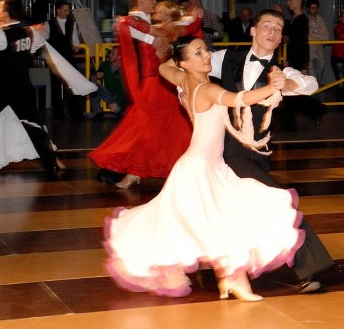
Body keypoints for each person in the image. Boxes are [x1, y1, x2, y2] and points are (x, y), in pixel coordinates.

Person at [105, 36, 304, 300]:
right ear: (185, 62)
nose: (207, 55)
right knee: (215, 222)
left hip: (205, 165)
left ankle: (233, 280)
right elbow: (240, 99)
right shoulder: (206, 90)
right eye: (198, 53)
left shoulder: (185, 80)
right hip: (198, 169)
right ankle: (235, 280)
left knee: (219, 221)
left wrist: (177, 59)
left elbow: (164, 68)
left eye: (206, 49)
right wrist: (271, 87)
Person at [208, 8, 344, 294]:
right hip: (227, 151)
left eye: (277, 28)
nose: (272, 32)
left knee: (249, 213)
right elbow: (191, 64)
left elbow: (310, 85)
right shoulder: (225, 58)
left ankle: (232, 269)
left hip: (259, 156)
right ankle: (311, 267)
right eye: (266, 26)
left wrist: (289, 84)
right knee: (278, 202)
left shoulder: (281, 70)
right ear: (253, 30)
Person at [0, 0, 94, 171]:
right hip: (24, 87)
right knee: (33, 125)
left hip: (3, 88)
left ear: (6, 14)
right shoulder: (30, 33)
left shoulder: (3, 36)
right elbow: (34, 47)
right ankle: (50, 163)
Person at [90, 0, 198, 189]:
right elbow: (156, 33)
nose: (155, 4)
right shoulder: (156, 25)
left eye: (159, 9)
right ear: (140, 1)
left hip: (157, 84)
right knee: (155, 128)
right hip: (153, 83)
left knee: (153, 129)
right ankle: (134, 171)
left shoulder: (161, 27)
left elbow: (153, 33)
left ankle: (133, 171)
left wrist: (126, 22)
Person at [43, 0, 84, 120]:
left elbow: (75, 39)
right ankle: (58, 114)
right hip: (55, 59)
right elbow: (44, 39)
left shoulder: (72, 23)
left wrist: (76, 46)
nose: (67, 12)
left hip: (68, 57)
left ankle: (76, 113)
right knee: (55, 86)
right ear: (58, 10)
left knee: (72, 84)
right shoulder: (48, 23)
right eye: (65, 10)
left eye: (68, 10)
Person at [87, 46, 127, 120]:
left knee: (118, 110)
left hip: (121, 98)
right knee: (92, 84)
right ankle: (98, 113)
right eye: (110, 53)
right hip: (109, 95)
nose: (110, 55)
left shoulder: (125, 68)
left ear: (119, 57)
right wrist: (96, 76)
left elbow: (127, 90)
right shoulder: (105, 64)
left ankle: (119, 112)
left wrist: (117, 102)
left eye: (113, 54)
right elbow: (92, 78)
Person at [305, 0, 330, 87]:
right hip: (309, 54)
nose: (314, 10)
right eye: (312, 8)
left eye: (316, 8)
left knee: (318, 79)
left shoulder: (321, 20)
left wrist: (313, 35)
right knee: (312, 79)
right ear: (308, 9)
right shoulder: (305, 20)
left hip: (319, 54)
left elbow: (326, 37)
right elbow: (307, 36)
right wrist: (318, 36)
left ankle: (317, 98)